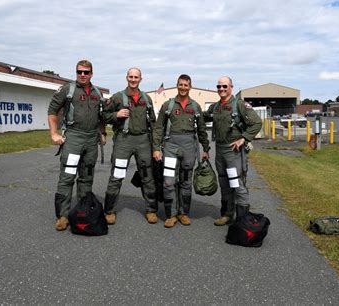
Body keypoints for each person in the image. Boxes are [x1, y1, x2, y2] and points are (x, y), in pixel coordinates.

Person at [48, 60, 106, 231]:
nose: (82, 75)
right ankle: (63, 216)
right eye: (79, 71)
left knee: (87, 176)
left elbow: (101, 116)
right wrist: (54, 133)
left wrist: (102, 133)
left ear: (91, 74)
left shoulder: (97, 93)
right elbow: (52, 110)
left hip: (91, 139)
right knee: (67, 176)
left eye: (86, 72)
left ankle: (83, 210)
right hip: (74, 137)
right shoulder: (67, 89)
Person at [152, 74, 210, 228]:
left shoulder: (196, 107)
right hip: (171, 146)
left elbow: (202, 130)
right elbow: (158, 128)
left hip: (189, 147)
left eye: (186, 85)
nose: (183, 87)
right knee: (169, 182)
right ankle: (170, 215)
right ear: (177, 85)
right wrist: (156, 148)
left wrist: (205, 148)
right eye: (181, 84)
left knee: (185, 181)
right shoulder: (168, 105)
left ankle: (183, 213)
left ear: (190, 87)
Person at [103, 67, 158, 224]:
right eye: (131, 77)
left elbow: (153, 123)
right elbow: (104, 115)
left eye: (136, 77)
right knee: (117, 175)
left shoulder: (146, 99)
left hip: (143, 141)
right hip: (124, 140)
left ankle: (151, 210)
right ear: (126, 78)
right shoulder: (117, 97)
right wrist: (116, 115)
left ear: (141, 79)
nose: (133, 79)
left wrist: (155, 146)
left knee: (147, 176)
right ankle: (109, 211)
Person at [204, 76, 262, 226]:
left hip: (234, 151)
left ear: (231, 87)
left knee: (236, 183)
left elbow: (256, 123)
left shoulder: (240, 105)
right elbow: (203, 117)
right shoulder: (216, 107)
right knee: (224, 182)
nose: (221, 89)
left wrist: (243, 138)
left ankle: (242, 219)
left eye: (224, 86)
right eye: (219, 87)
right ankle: (227, 214)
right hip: (220, 150)